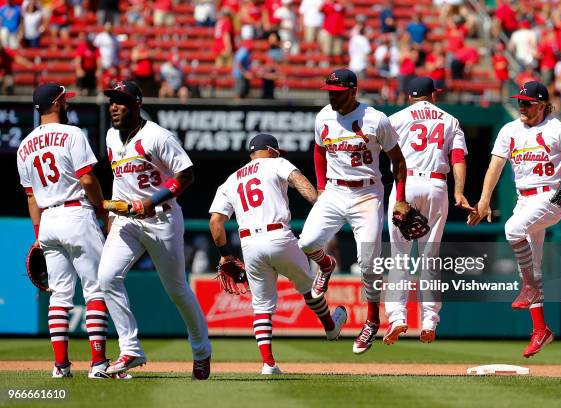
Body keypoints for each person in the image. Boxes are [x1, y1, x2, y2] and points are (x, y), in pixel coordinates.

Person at [468, 81, 561, 358]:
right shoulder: (509, 129)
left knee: (512, 230)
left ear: (543, 105)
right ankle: (541, 330)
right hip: (523, 199)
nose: (522, 106)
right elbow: (495, 166)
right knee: (532, 266)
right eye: (520, 102)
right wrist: (485, 199)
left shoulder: (555, 128)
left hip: (551, 196)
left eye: (528, 102)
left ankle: (529, 288)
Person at [98, 81, 212, 379]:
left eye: (120, 101)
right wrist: (112, 221)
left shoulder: (158, 136)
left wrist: (153, 200)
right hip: (126, 220)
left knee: (176, 288)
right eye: (111, 101)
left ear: (136, 104)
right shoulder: (111, 137)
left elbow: (185, 175)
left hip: (162, 218)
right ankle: (130, 349)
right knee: (107, 277)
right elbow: (118, 182)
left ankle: (201, 351)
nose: (114, 106)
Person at [209, 133, 348, 374]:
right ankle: (331, 327)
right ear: (272, 150)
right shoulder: (277, 162)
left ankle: (268, 364)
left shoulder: (230, 180)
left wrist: (224, 255)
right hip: (279, 236)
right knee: (309, 287)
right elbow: (300, 182)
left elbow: (215, 222)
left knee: (261, 306)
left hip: (249, 243)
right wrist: (319, 203)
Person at [16, 83, 127, 380]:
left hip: (48, 220)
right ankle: (99, 364)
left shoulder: (24, 145)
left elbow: (30, 197)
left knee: (60, 296)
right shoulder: (72, 133)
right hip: (76, 213)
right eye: (64, 100)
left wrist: (38, 235)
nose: (67, 103)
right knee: (96, 289)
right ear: (56, 103)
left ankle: (61, 366)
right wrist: (103, 210)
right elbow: (87, 179)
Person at [298, 68, 408, 355]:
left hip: (367, 192)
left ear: (352, 91)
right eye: (329, 93)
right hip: (334, 190)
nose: (332, 98)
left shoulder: (375, 119)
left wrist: (402, 198)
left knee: (369, 263)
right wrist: (321, 186)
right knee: (307, 242)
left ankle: (372, 320)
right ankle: (326, 265)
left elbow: (398, 160)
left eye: (337, 93)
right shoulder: (323, 116)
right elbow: (319, 150)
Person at [382, 77, 472, 346]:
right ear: (432, 95)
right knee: (429, 257)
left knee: (399, 256)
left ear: (410, 97)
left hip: (405, 184)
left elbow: (378, 149)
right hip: (436, 185)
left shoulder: (396, 118)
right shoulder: (450, 119)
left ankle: (397, 318)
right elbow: (458, 158)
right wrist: (458, 192)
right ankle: (429, 320)